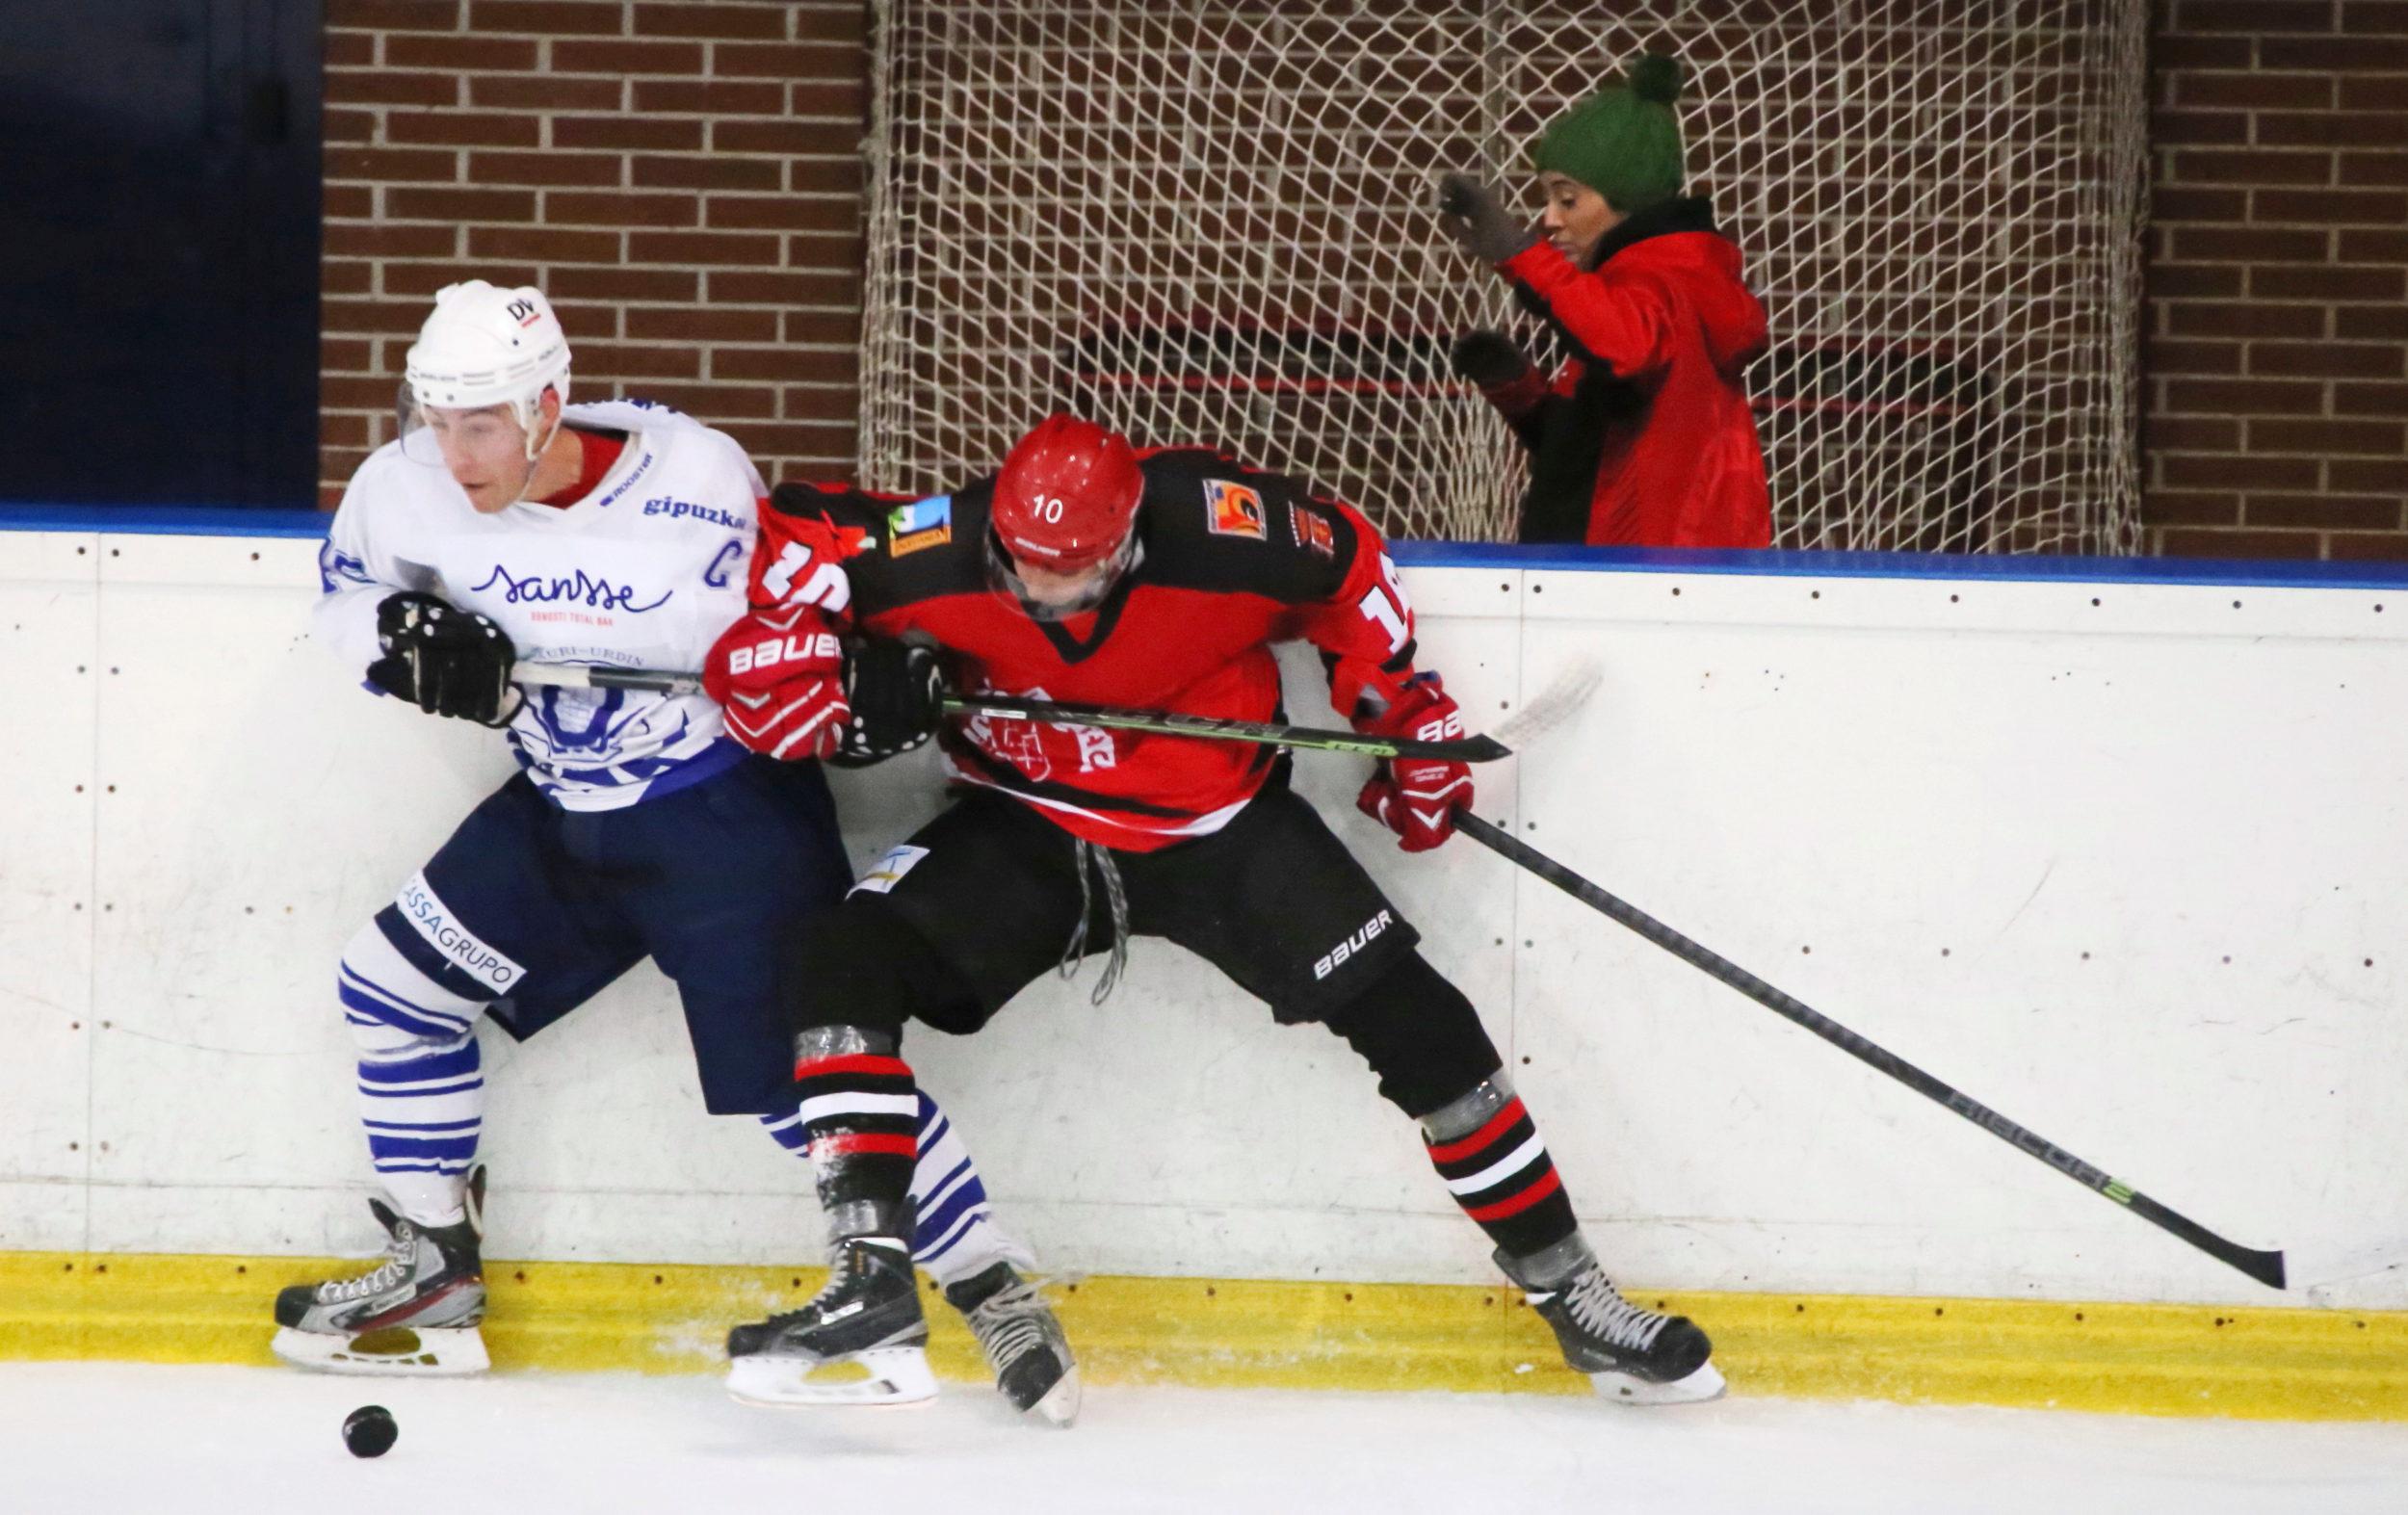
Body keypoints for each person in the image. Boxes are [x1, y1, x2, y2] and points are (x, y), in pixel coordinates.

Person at [699, 414, 1724, 1408]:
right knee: (842, 953)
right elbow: (790, 550)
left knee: (1422, 1022)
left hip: (1221, 825)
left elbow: (1350, 568)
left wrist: (1402, 721)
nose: (1044, 591)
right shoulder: (935, 546)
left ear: (1132, 540)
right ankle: (872, 1276)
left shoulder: (1228, 531)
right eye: (1022, 567)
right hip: (1029, 822)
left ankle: (1573, 1289)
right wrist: (828, 671)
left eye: (1074, 571)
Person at [281, 279, 1076, 1423]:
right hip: (559, 808)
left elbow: (812, 602)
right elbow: (345, 594)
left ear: (550, 403)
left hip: (723, 823)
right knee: (391, 987)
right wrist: (401, 642)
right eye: (435, 418)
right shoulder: (402, 491)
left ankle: (992, 1288)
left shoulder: (694, 476)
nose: (453, 453)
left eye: (483, 423)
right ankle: (436, 1265)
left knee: (809, 1084)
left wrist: (873, 669)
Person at [1438, 53, 1772, 549]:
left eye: (1567, 199)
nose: (1549, 219)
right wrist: (1521, 394)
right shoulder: (1647, 282)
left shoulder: (1664, 279)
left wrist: (1518, 251)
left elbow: (1627, 347)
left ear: (1627, 199)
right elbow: (1598, 458)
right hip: (1624, 578)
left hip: (1642, 585)